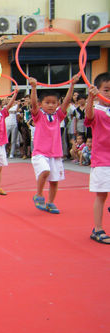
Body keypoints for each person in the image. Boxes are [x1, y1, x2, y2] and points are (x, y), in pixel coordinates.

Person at [29, 74, 79, 214]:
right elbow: (33, 104)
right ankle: (38, 194)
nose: (50, 105)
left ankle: (50, 203)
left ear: (57, 104)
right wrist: (33, 87)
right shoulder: (39, 115)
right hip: (40, 153)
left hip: (55, 153)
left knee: (54, 180)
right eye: (47, 102)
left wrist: (72, 85)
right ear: (41, 104)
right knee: (45, 171)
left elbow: (67, 102)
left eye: (53, 103)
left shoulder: (58, 116)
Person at [84, 72, 110, 244]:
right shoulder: (97, 110)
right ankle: (98, 228)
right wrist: (90, 98)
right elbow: (89, 115)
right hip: (102, 161)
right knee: (101, 195)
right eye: (106, 90)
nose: (109, 94)